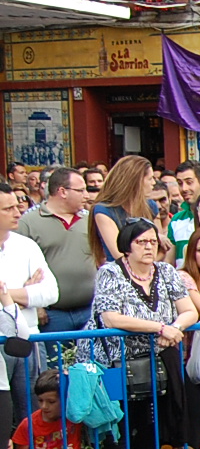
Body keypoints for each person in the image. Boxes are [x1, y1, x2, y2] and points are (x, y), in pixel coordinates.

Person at [89, 217, 200, 449]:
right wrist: (159, 327)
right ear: (126, 246)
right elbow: (111, 317)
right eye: (141, 242)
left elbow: (189, 311)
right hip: (115, 358)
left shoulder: (167, 271)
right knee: (120, 423)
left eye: (153, 242)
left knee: (148, 420)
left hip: (157, 358)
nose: (148, 247)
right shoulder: (111, 272)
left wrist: (175, 328)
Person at [0, 184, 58, 408]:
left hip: (29, 338)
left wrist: (7, 294)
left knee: (35, 412)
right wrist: (26, 293)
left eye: (17, 206)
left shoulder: (26, 245)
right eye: (8, 209)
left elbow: (51, 292)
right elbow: (37, 294)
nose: (17, 213)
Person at [18, 169, 91, 333]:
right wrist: (36, 305)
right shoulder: (28, 222)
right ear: (63, 191)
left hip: (89, 311)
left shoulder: (90, 220)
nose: (86, 195)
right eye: (80, 190)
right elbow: (18, 268)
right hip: (52, 315)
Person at [88, 156, 156, 265]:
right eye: (150, 178)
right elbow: (119, 254)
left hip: (148, 270)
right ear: (137, 181)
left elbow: (159, 249)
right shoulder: (104, 210)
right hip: (119, 272)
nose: (154, 183)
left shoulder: (151, 206)